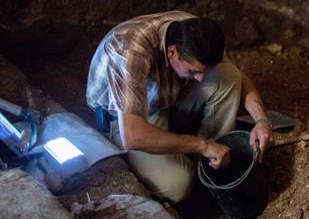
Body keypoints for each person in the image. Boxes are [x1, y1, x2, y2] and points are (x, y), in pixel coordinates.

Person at [87, 11, 274, 202]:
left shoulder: (194, 32)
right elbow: (134, 135)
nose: (200, 78)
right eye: (193, 71)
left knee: (228, 75)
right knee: (178, 186)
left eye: (202, 72)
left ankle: (211, 167)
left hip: (166, 100)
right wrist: (202, 145)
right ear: (172, 52)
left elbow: (240, 78)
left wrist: (261, 120)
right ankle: (200, 160)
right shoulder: (130, 52)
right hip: (126, 120)